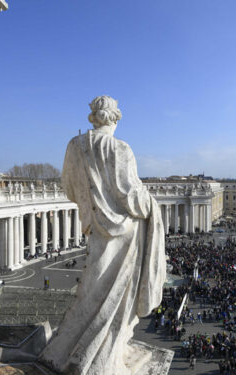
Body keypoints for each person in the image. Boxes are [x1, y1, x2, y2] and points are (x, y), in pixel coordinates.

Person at [40, 96, 166, 375]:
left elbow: (69, 187)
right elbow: (131, 195)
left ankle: (70, 350)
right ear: (115, 118)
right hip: (126, 234)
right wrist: (151, 205)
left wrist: (91, 207)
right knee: (116, 298)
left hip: (95, 226)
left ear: (94, 117)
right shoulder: (121, 148)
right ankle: (104, 355)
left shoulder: (74, 146)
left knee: (91, 289)